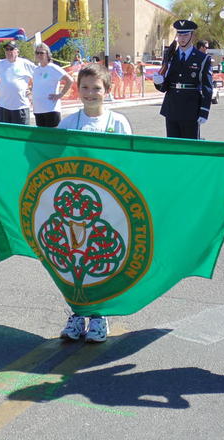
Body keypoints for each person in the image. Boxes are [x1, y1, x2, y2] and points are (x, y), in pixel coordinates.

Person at [57, 63, 132, 343]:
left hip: (109, 209)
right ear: (78, 90)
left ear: (107, 90)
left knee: (100, 261)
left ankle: (100, 316)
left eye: (96, 88)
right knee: (73, 261)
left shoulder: (118, 123)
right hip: (75, 212)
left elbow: (128, 163)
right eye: (85, 87)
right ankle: (77, 314)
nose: (90, 93)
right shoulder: (68, 123)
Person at [152, 19, 213, 139]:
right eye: (179, 35)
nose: (182, 38)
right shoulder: (170, 55)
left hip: (191, 109)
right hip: (172, 107)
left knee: (190, 149)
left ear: (192, 35)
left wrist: (204, 111)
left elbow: (207, 87)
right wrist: (158, 82)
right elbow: (165, 87)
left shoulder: (202, 58)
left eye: (185, 35)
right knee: (173, 148)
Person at [0, 40, 36, 124]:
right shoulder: (0, 64)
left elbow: (38, 75)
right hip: (3, 106)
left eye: (11, 49)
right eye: (7, 49)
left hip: (20, 107)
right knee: (4, 134)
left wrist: (31, 90)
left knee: (21, 134)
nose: (9, 51)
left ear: (17, 51)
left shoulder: (25, 63)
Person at [32, 43, 74, 127]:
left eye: (42, 53)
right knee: (41, 137)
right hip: (38, 110)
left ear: (47, 54)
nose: (39, 55)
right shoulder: (36, 70)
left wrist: (60, 95)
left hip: (51, 109)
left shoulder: (53, 68)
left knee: (52, 137)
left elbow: (70, 80)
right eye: (37, 53)